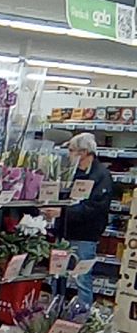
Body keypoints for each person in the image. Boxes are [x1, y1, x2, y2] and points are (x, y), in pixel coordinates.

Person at [42, 132, 112, 308]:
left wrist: (62, 213)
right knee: (58, 275)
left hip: (85, 235)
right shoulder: (71, 172)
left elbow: (94, 208)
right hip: (64, 232)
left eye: (72, 150)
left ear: (84, 152)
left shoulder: (101, 175)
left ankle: (83, 314)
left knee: (82, 277)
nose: (69, 154)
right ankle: (56, 310)